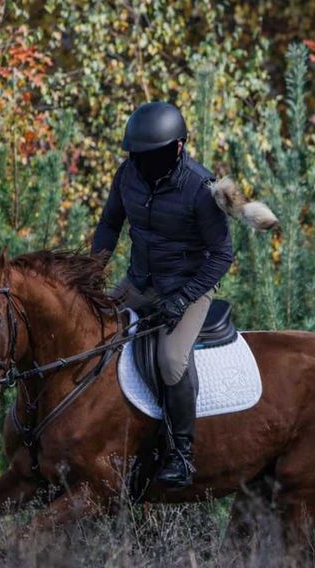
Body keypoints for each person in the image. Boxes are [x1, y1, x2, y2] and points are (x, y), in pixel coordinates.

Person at [92, 101, 232, 489]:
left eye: (151, 156)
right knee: (91, 330)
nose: (142, 164)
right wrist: (91, 272)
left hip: (189, 287)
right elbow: (109, 224)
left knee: (171, 361)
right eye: (137, 156)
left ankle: (181, 455)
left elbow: (222, 254)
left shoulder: (201, 188)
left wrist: (183, 297)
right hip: (139, 283)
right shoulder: (128, 174)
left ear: (177, 148)